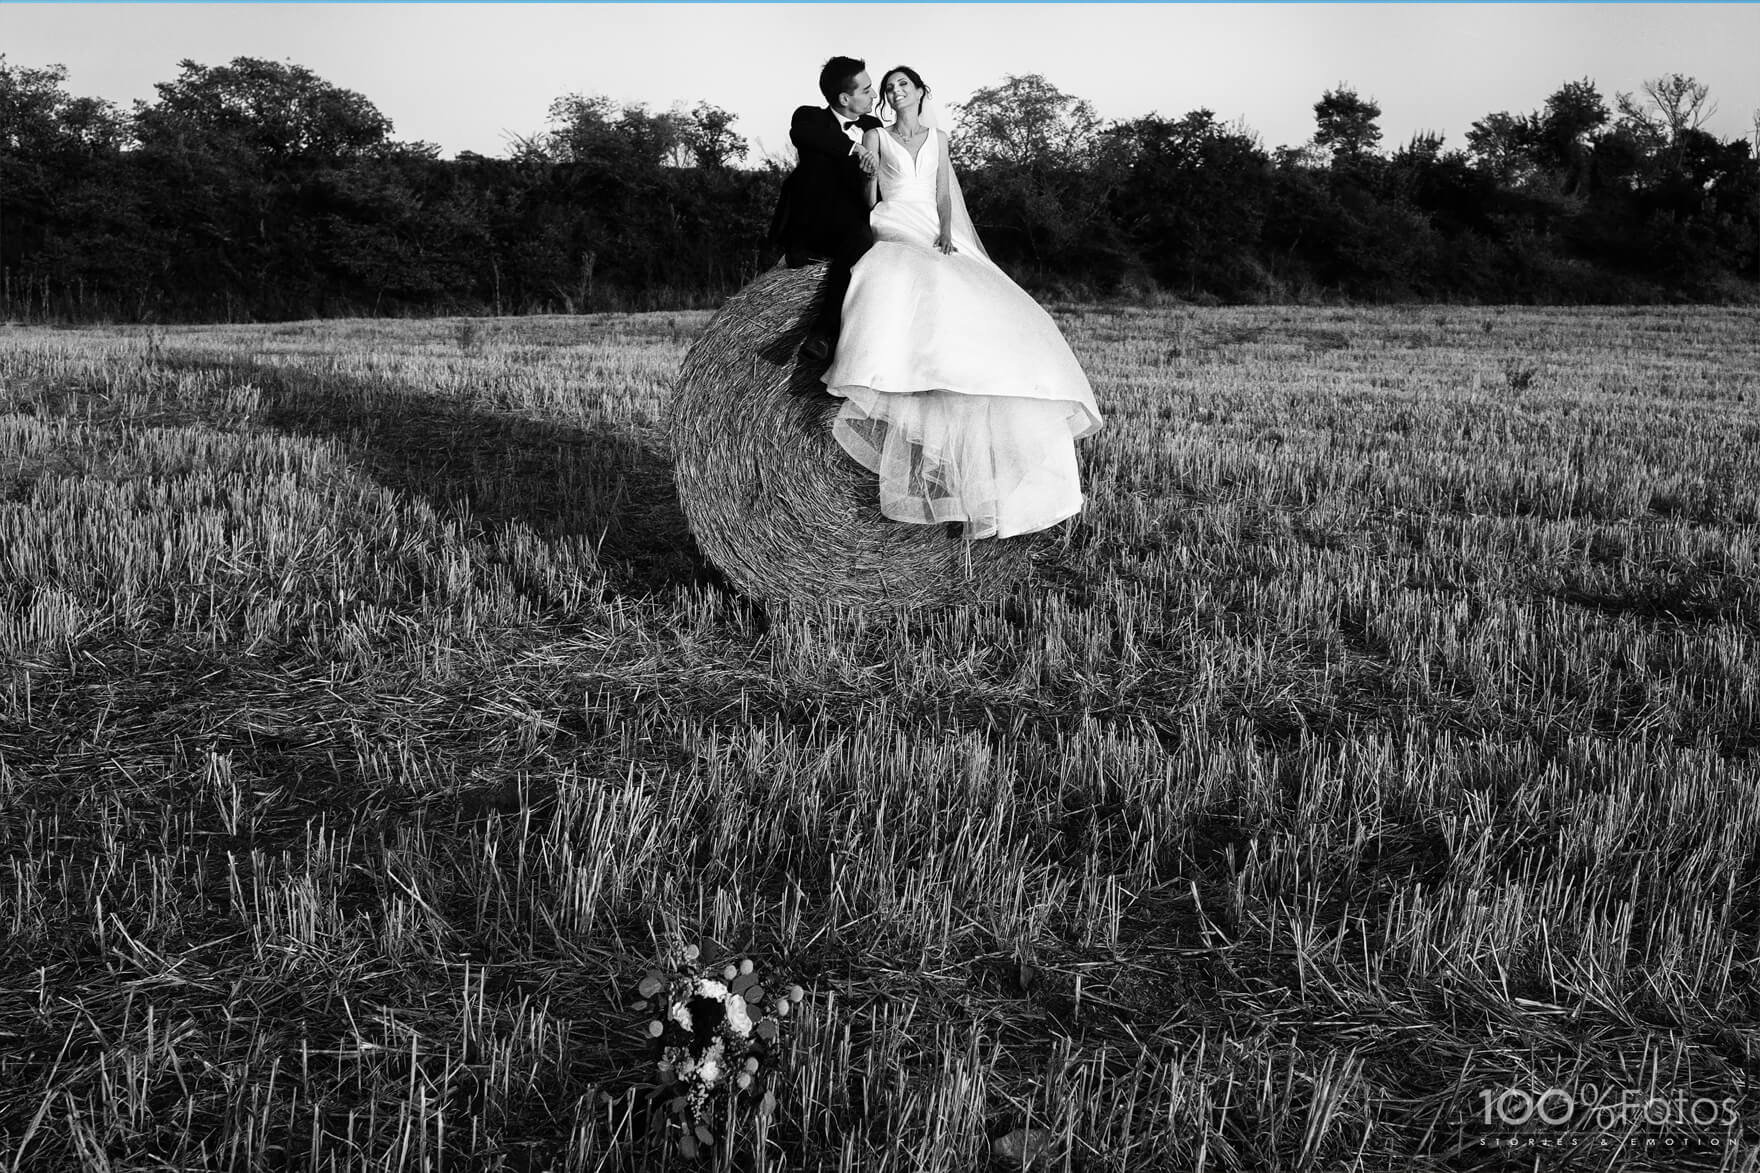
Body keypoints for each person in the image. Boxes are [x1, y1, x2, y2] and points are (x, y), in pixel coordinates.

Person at [821, 66, 1103, 540]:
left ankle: (962, 381)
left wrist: (947, 233)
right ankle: (902, 366)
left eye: (901, 85)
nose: (894, 92)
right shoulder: (875, 137)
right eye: (888, 88)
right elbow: (868, 198)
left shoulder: (940, 137)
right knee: (899, 274)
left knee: (995, 302)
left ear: (919, 90)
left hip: (933, 226)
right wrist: (865, 175)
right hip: (893, 220)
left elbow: (943, 193)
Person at [767, 57, 884, 362]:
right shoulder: (809, 118)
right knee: (817, 164)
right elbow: (808, 136)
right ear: (845, 98)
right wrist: (854, 149)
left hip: (852, 226)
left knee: (860, 235)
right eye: (868, 89)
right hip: (812, 223)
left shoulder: (873, 127)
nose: (875, 95)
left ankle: (821, 334)